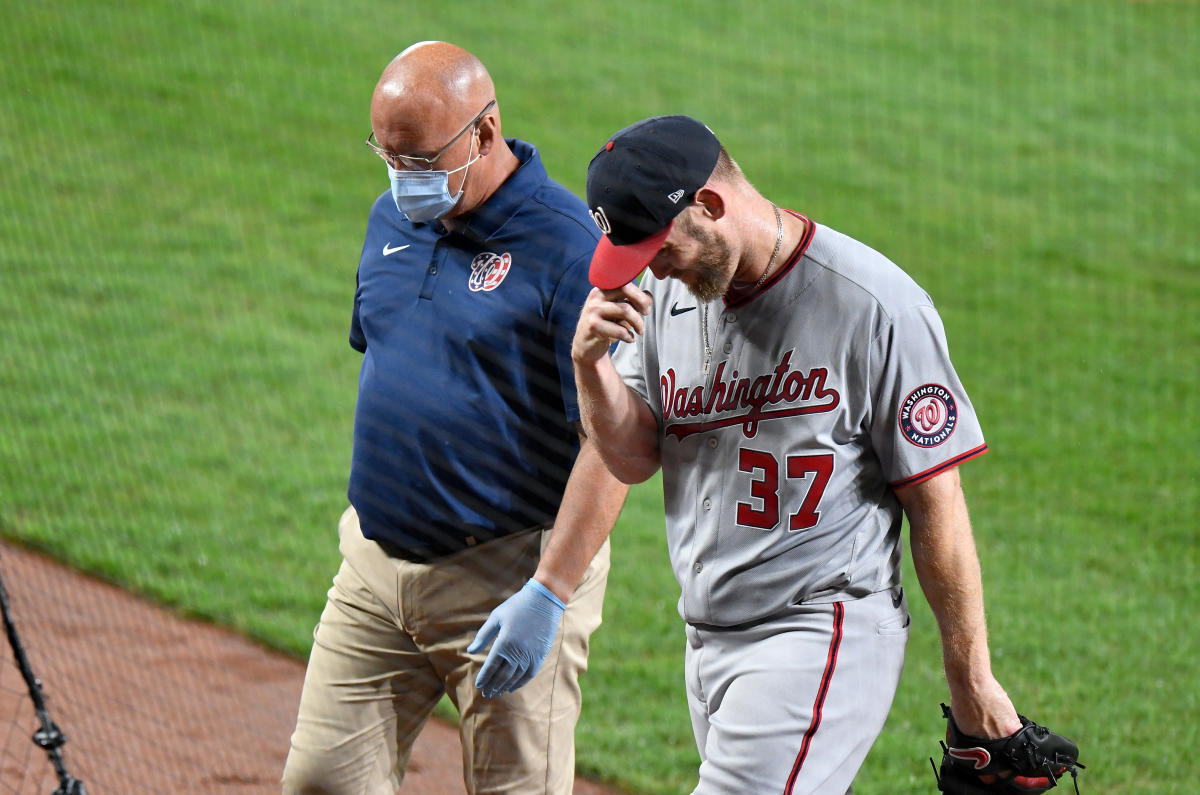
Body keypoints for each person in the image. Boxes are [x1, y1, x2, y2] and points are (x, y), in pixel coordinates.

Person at [476, 114, 1026, 793]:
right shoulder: (668, 300)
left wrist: (971, 681)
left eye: (657, 247)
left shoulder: (875, 306)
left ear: (709, 205)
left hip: (821, 627)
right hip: (707, 635)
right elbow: (631, 453)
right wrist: (592, 369)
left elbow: (935, 498)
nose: (650, 270)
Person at [281, 41, 628, 795]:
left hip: (506, 579)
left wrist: (551, 590)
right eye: (388, 154)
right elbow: (389, 356)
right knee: (320, 782)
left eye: (421, 160)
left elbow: (614, 445)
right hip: (374, 568)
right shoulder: (388, 219)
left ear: (484, 131)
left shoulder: (569, 250)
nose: (403, 179)